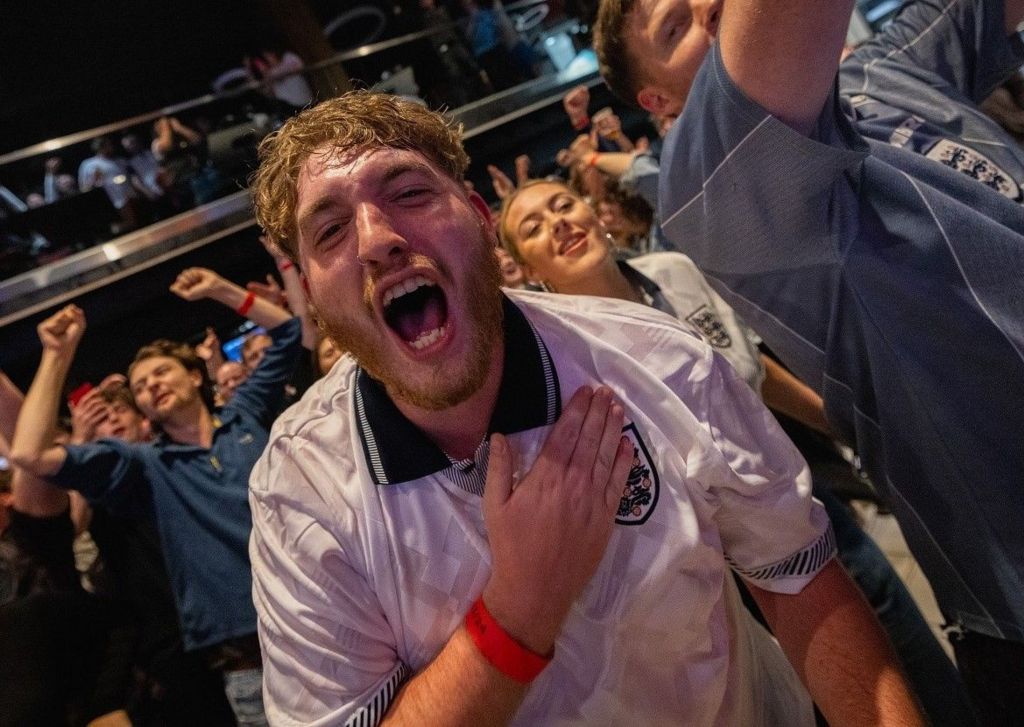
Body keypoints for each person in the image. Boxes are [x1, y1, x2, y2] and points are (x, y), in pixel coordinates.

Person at [247, 91, 923, 726]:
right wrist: (517, 608)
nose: (376, 239)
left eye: (410, 192)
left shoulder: (655, 358)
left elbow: (798, 581)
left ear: (481, 221)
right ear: (312, 295)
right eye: (330, 230)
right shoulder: (299, 488)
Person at [594, 0, 1024, 719]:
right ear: (658, 100)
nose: (705, 10)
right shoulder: (713, 179)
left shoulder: (878, 71)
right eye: (673, 28)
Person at [499, 177, 977, 724]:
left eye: (563, 205)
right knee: (816, 693)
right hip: (708, 562)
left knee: (900, 634)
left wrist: (840, 422)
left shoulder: (672, 274)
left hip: (788, 494)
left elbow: (751, 368)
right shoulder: (562, 366)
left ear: (594, 212)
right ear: (528, 269)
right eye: (532, 228)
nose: (557, 222)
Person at [10, 269, 303, 726]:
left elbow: (288, 330)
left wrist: (221, 290)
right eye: (141, 386)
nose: (150, 386)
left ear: (193, 375)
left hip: (329, 626)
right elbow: (28, 452)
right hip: (252, 666)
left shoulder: (244, 418)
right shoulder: (143, 465)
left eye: (160, 372)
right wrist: (55, 354)